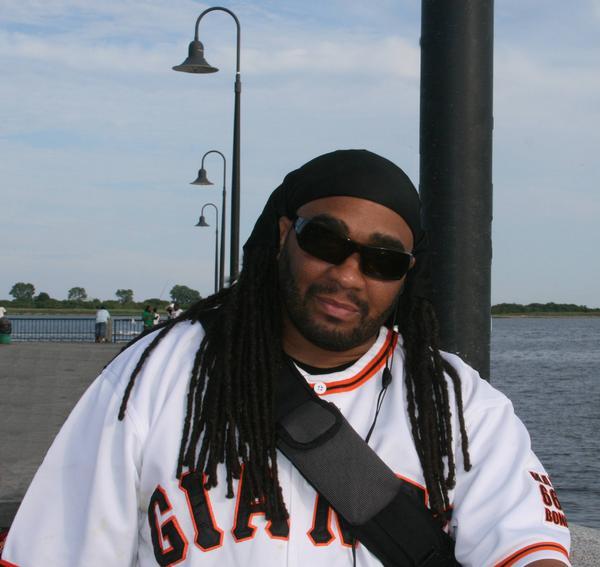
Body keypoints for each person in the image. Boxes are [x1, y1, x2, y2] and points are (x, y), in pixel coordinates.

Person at [1, 150, 570, 566]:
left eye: (383, 260)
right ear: (282, 236)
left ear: (407, 276)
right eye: (325, 241)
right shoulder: (152, 374)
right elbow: (56, 549)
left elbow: (527, 546)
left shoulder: (456, 402)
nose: (347, 275)